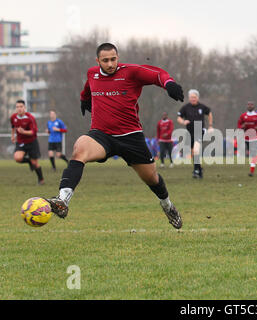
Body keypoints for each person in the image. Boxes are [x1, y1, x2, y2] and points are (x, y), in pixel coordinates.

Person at [44, 43, 184, 229]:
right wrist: (84, 99)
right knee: (80, 148)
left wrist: (169, 84)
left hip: (131, 136)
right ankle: (63, 200)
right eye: (105, 60)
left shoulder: (131, 72)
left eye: (113, 59)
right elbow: (88, 88)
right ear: (98, 61)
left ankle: (167, 205)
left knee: (152, 178)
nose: (110, 64)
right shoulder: (92, 73)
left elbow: (157, 74)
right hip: (101, 135)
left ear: (118, 57)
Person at [177, 89, 213, 179]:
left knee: (196, 150)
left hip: (199, 131)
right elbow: (179, 118)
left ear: (197, 98)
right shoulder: (185, 107)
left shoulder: (202, 107)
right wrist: (183, 121)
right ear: (189, 98)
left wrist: (210, 125)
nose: (193, 99)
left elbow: (209, 113)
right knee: (193, 152)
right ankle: (199, 170)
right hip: (190, 133)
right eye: (191, 97)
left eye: (194, 97)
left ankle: (196, 170)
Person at [10, 99, 45, 185]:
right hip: (21, 142)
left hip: (32, 142)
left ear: (25, 107)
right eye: (17, 107)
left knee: (35, 163)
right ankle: (29, 161)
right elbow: (13, 126)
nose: (19, 109)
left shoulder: (30, 118)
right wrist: (13, 135)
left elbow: (33, 132)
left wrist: (23, 132)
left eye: (21, 107)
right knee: (17, 158)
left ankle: (41, 180)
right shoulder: (13, 117)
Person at [237, 101, 257, 177]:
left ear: (254, 106)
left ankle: (251, 171)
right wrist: (242, 127)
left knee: (253, 154)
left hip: (256, 138)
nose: (250, 106)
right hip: (247, 138)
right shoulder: (243, 116)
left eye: (251, 105)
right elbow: (239, 125)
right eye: (248, 105)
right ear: (247, 106)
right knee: (254, 153)